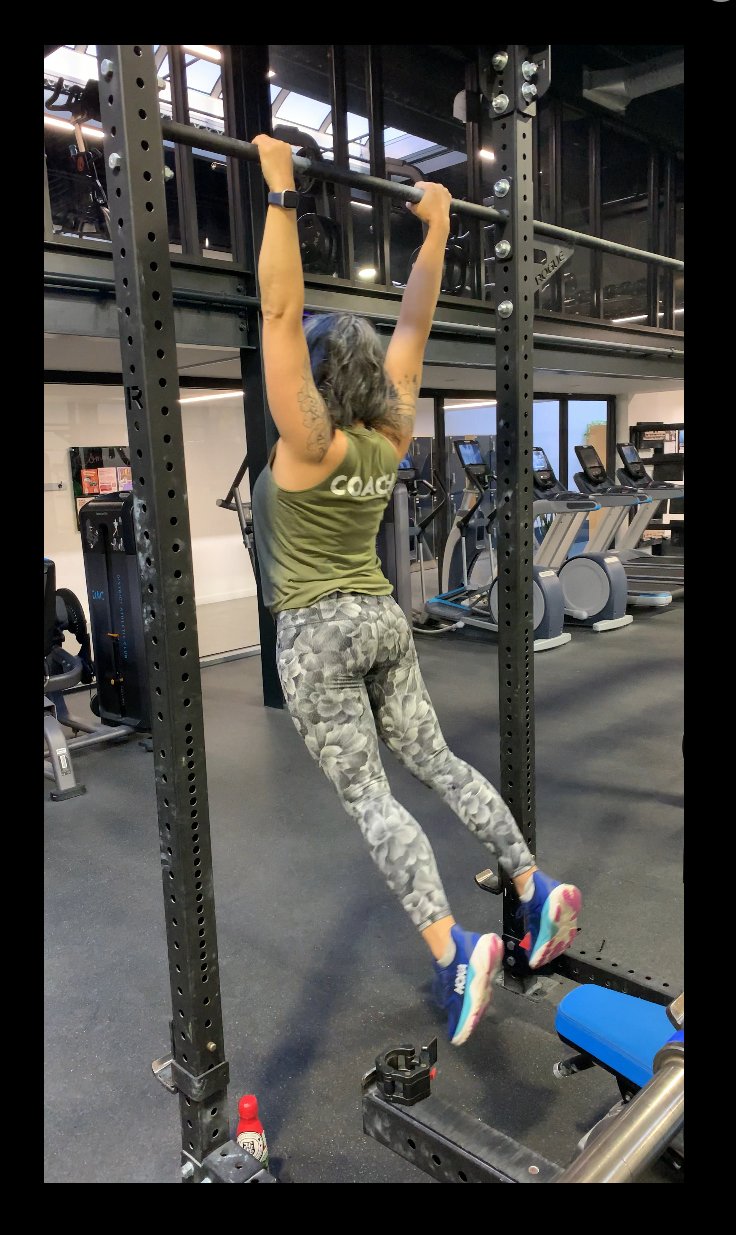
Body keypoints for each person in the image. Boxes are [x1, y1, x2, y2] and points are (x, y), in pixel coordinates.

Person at [250, 135, 581, 1046]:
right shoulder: (385, 435)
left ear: (315, 382)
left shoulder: (307, 441)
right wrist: (433, 232)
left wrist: (283, 195)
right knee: (436, 763)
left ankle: (451, 951)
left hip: (317, 633)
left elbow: (280, 316)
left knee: (371, 798)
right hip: (383, 617)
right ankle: (531, 883)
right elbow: (413, 327)